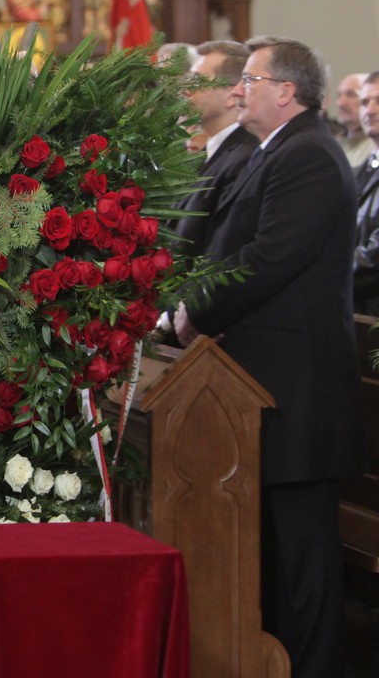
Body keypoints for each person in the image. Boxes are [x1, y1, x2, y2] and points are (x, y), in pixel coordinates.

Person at [175, 36, 364, 678]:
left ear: (287, 91)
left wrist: (196, 311)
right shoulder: (276, 150)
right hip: (263, 389)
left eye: (251, 80)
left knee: (303, 558)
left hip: (297, 393)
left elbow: (268, 259)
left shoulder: (308, 155)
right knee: (278, 556)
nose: (239, 89)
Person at [172, 40, 258, 256]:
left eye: (197, 80)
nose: (186, 90)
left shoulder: (245, 158)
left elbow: (220, 248)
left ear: (231, 96)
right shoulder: (211, 150)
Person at [352, 70, 379, 315]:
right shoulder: (356, 172)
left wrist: (327, 277)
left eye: (378, 101)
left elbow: (375, 260)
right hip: (353, 312)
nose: (369, 110)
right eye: (364, 102)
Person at [333, 72, 372, 168]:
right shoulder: (333, 144)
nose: (341, 103)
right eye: (339, 95)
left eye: (351, 95)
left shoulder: (374, 147)